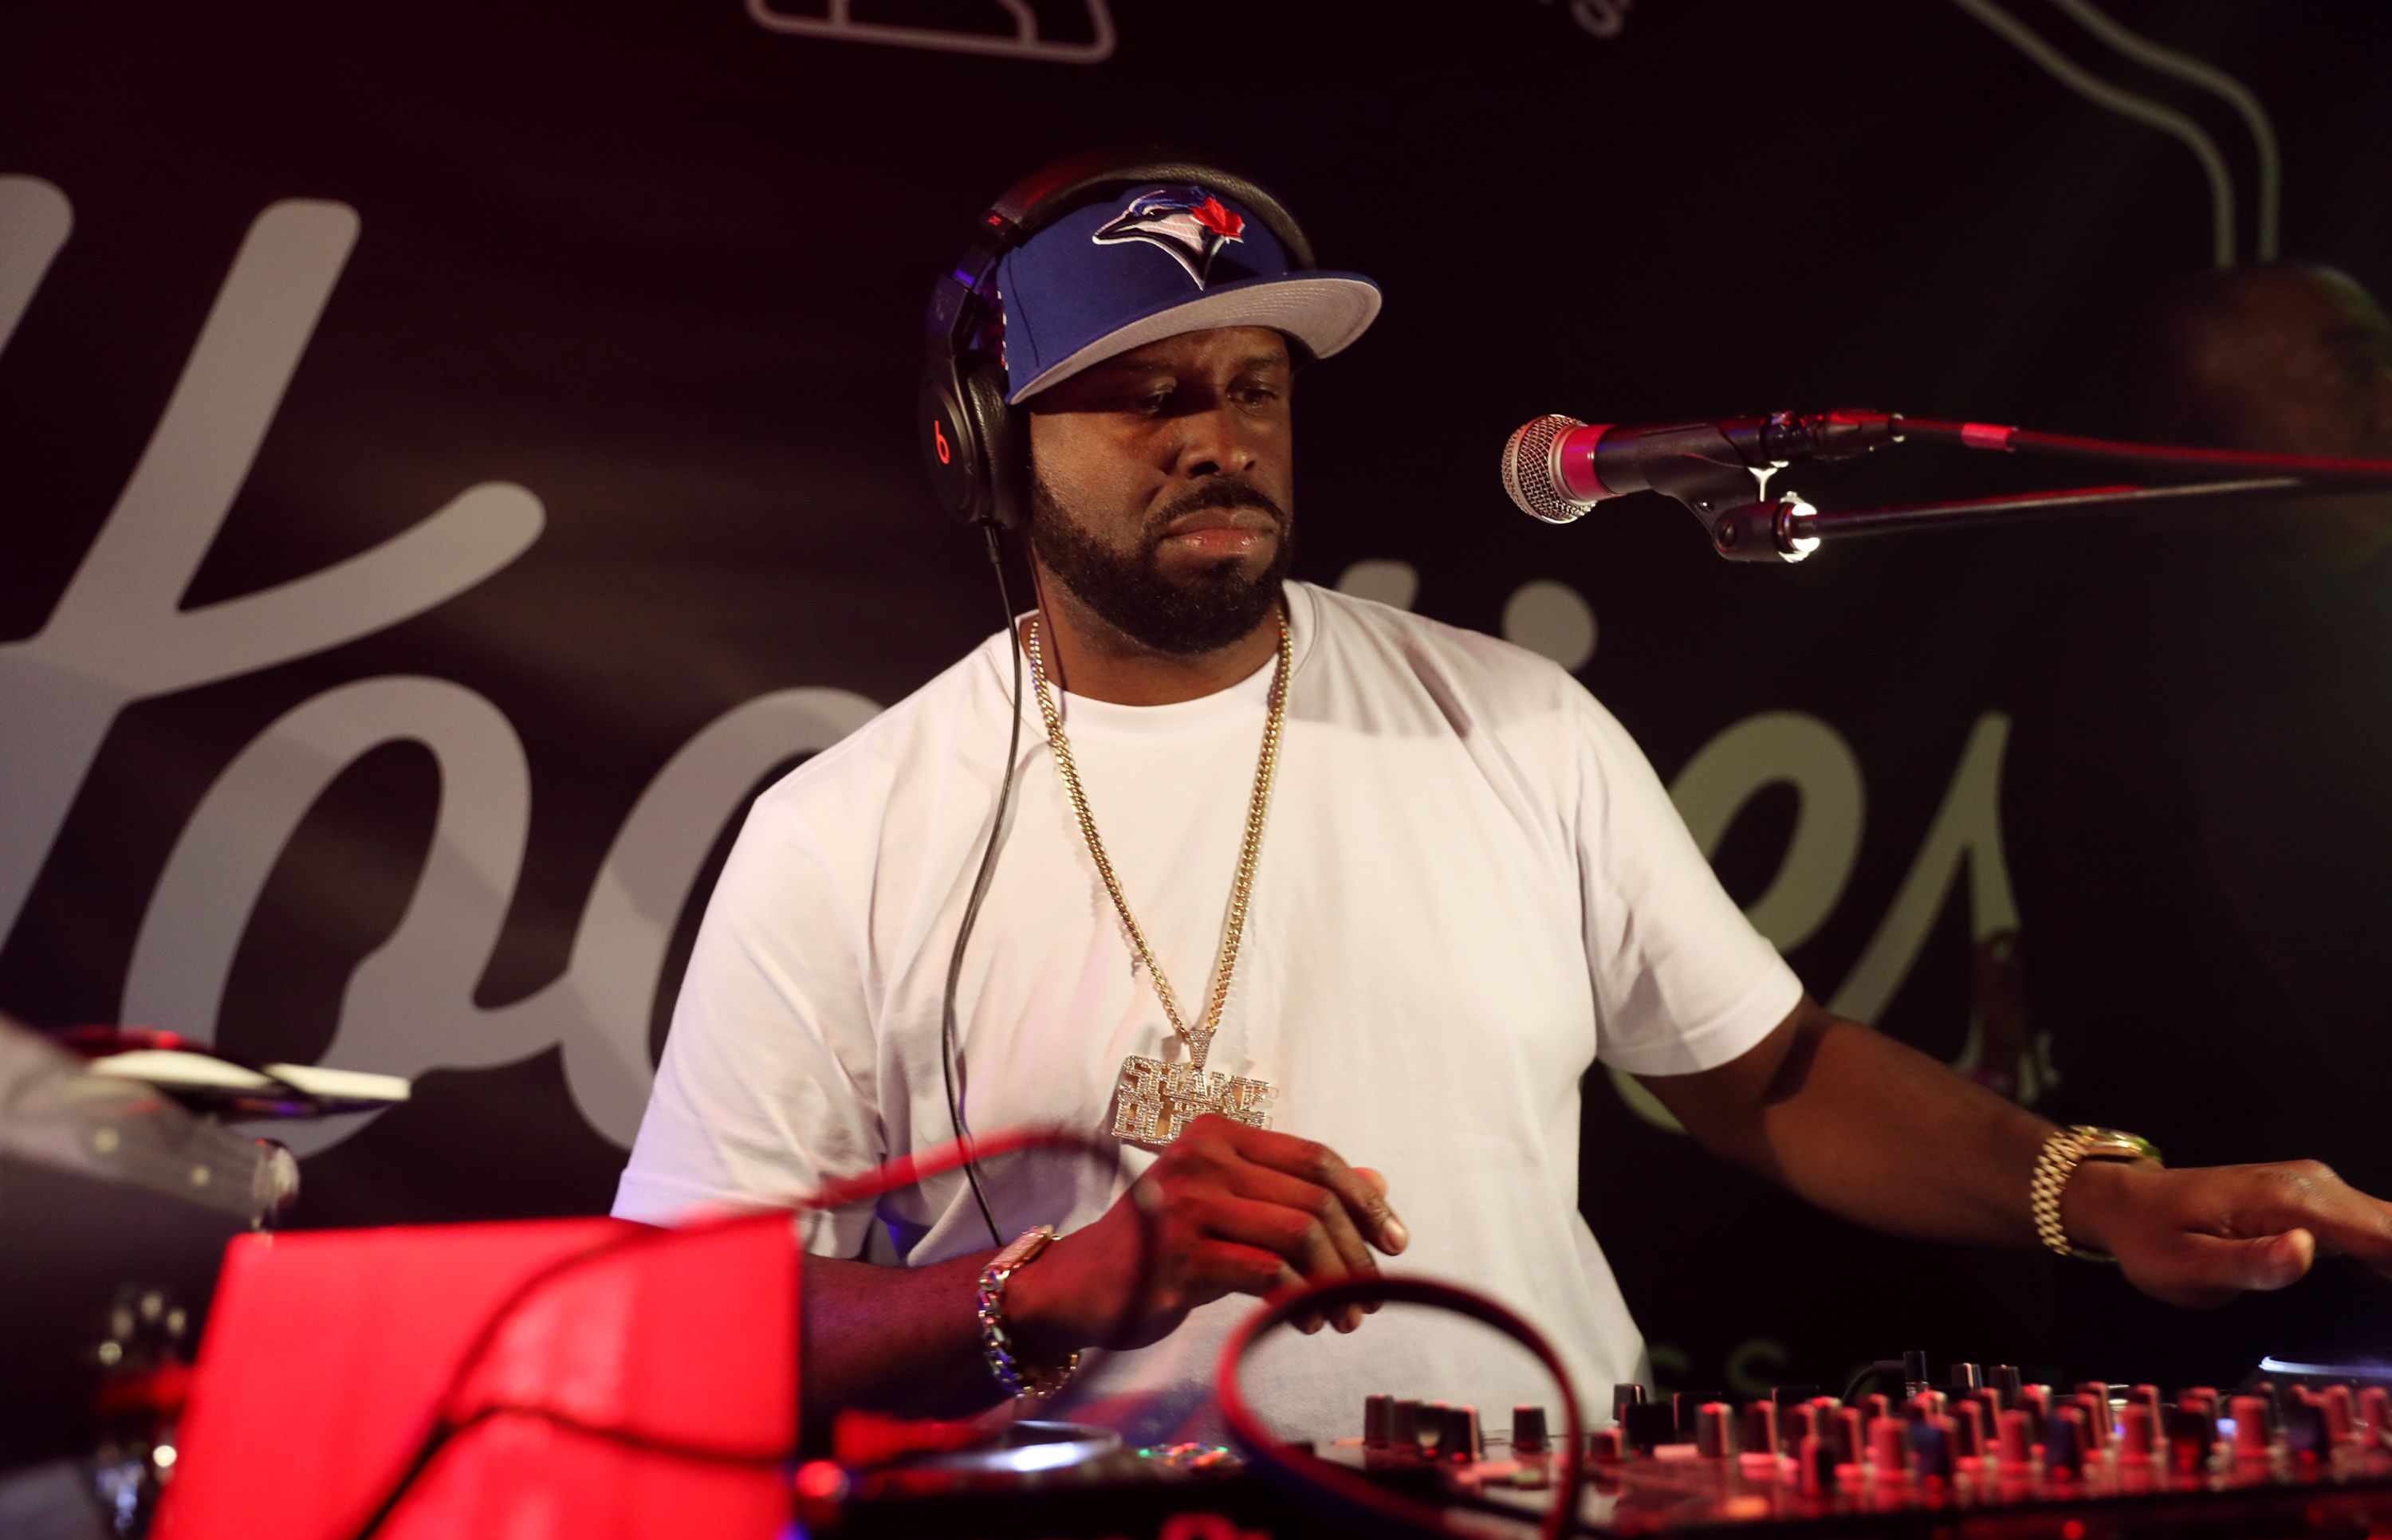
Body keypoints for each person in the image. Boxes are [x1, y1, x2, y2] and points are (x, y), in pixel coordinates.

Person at [616, 162, 2392, 1444]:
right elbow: (678, 1321)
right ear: (985, 446)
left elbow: (1770, 1077)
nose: (1214, 438)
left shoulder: (1508, 719)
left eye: (1250, 390)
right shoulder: (847, 829)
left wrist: (2097, 1191)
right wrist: (1053, 1287)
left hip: (1549, 1532)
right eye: (1141, 396)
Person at [2011, 263, 2392, 1385]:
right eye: (2350, 369)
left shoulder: (2136, 626)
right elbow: (2348, 972)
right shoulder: (2238, 638)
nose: (2388, 406)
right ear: (2205, 409)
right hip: (2290, 1309)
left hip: (2238, 1295)